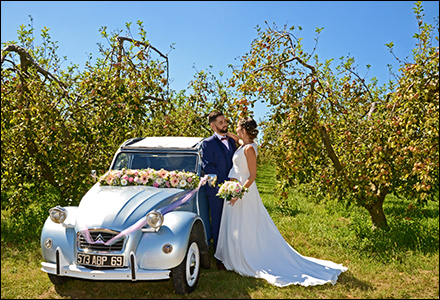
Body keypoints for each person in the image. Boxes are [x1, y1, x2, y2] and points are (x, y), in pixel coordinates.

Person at [214, 117, 348, 287]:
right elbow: (237, 138)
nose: (236, 129)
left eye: (238, 127)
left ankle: (247, 256)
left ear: (244, 130)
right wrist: (227, 135)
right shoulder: (243, 143)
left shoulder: (249, 149)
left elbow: (253, 176)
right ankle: (233, 255)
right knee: (235, 224)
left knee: (245, 224)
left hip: (244, 190)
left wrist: (239, 193)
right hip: (235, 187)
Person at [200, 111, 237, 270]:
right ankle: (220, 258)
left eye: (225, 121)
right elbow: (208, 167)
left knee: (234, 222)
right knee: (218, 223)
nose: (225, 124)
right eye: (221, 122)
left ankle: (235, 253)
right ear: (213, 126)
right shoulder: (207, 143)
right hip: (217, 189)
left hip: (236, 188)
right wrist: (226, 181)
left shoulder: (233, 141)